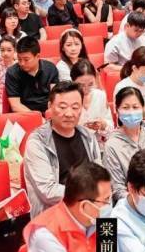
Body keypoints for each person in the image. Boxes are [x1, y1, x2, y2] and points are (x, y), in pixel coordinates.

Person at [24, 162, 131, 252]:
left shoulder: (104, 223)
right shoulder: (46, 236)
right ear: (84, 206)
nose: (109, 205)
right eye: (106, 200)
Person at [23, 81, 102, 216]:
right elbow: (47, 191)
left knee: (110, 227)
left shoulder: (88, 136)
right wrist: (87, 195)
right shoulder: (38, 141)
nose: (69, 113)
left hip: (89, 209)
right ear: (50, 106)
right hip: (55, 214)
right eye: (63, 107)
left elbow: (100, 176)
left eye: (75, 107)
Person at [103, 87, 145, 201]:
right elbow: (117, 189)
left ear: (142, 108)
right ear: (117, 110)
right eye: (125, 107)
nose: (131, 112)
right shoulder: (112, 145)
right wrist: (142, 202)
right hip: (131, 203)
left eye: (135, 107)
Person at [5, 35, 59, 113]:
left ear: (37, 56)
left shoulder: (50, 68)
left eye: (26, 59)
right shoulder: (12, 73)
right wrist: (37, 117)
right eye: (19, 59)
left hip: (47, 112)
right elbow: (15, 105)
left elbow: (55, 98)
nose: (22, 63)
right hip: (24, 113)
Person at [70, 59, 114, 149]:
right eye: (81, 85)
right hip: (74, 145)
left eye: (90, 84)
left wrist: (102, 125)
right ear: (72, 81)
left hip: (98, 146)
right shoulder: (67, 99)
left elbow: (111, 128)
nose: (86, 89)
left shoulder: (100, 95)